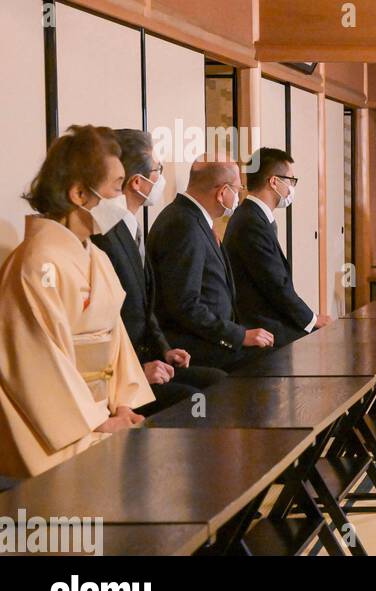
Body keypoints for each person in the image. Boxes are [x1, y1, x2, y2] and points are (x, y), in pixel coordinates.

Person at [0, 125, 153, 482]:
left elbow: (116, 343)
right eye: (117, 186)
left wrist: (122, 404)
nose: (122, 195)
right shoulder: (35, 263)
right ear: (80, 194)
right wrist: (98, 422)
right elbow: (38, 363)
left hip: (101, 413)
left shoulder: (96, 257)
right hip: (55, 424)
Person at [89, 129, 226, 416]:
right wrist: (137, 371)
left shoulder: (131, 227)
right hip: (123, 372)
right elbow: (111, 321)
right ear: (136, 182)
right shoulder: (105, 235)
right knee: (193, 400)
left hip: (149, 357)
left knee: (217, 381)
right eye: (157, 170)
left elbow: (145, 306)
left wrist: (164, 349)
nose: (161, 178)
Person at [148, 161, 275, 370]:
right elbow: (185, 304)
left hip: (211, 335)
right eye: (237, 189)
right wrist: (238, 335)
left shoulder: (192, 218)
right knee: (267, 361)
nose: (238, 196)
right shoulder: (183, 225)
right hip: (192, 345)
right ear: (223, 192)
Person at [223, 148, 332, 346]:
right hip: (262, 324)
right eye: (290, 181)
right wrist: (312, 319)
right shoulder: (250, 222)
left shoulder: (254, 216)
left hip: (270, 319)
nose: (292, 187)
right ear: (274, 182)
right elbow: (275, 284)